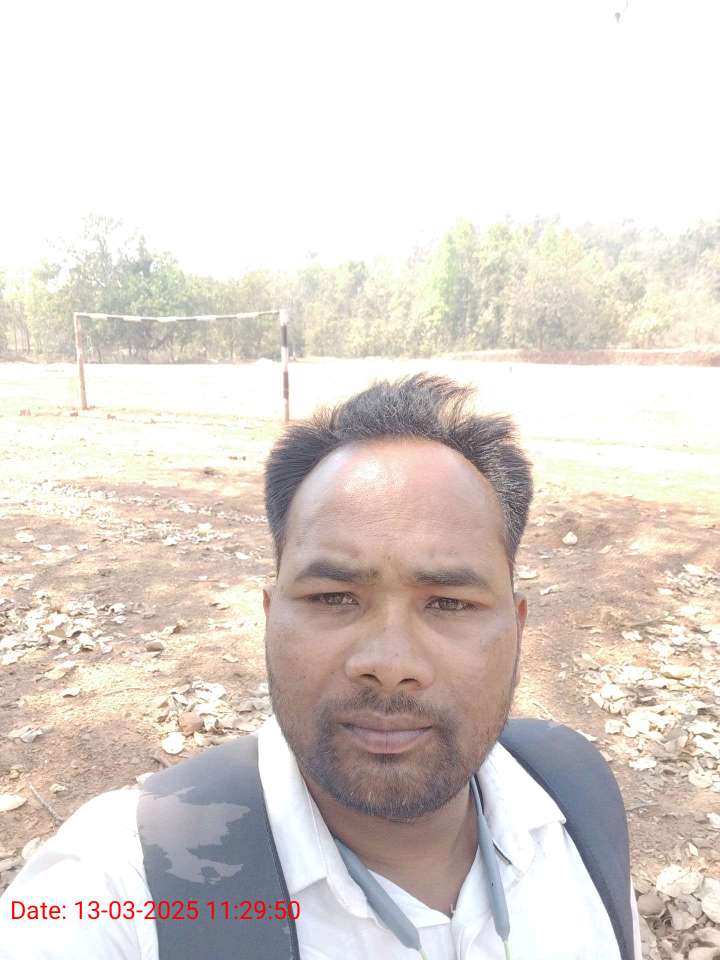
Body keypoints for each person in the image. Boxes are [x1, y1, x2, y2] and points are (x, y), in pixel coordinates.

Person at [0, 372, 642, 959]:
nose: (390, 664)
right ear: (270, 616)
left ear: (517, 628)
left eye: (449, 602)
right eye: (334, 597)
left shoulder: (576, 809)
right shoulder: (119, 887)